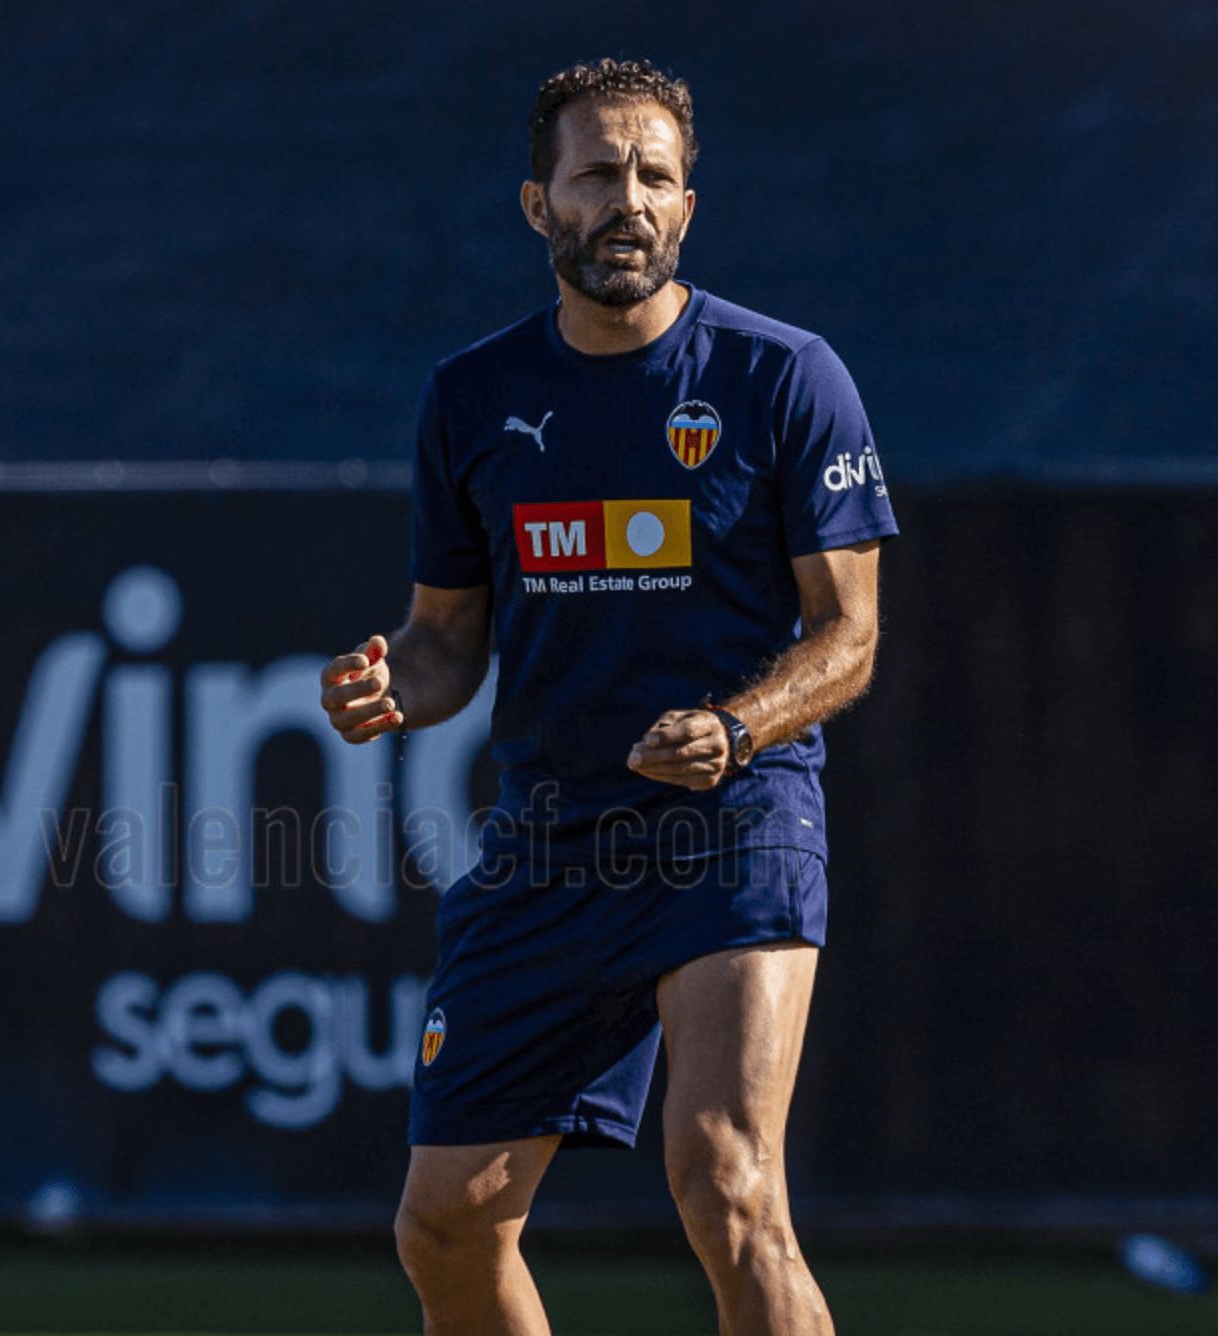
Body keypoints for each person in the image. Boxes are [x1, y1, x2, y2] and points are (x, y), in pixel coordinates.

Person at [318, 57, 896, 1336]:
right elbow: (443, 642)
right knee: (444, 1223)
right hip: (550, 837)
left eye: (653, 176)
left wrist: (738, 726)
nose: (625, 199)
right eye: (595, 174)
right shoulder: (472, 397)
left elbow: (848, 635)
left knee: (726, 1181)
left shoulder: (783, 376)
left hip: (732, 822)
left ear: (687, 204)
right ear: (540, 205)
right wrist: (390, 685)